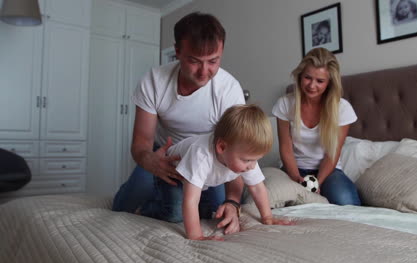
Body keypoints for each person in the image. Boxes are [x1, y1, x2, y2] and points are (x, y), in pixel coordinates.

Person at [112, 12, 246, 235]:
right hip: (164, 153)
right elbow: (140, 144)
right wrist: (151, 161)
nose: (204, 72)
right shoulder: (154, 81)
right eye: (194, 61)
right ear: (177, 52)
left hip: (208, 157)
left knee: (214, 212)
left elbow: (237, 155)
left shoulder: (229, 91)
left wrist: (233, 204)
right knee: (122, 207)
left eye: (213, 61)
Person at [140, 105, 293, 240]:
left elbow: (258, 188)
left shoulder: (245, 156)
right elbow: (191, 200)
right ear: (221, 147)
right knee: (175, 213)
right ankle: (146, 208)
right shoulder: (201, 155)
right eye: (247, 160)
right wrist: (196, 236)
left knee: (208, 213)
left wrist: (267, 217)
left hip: (205, 181)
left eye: (256, 160)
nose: (252, 166)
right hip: (173, 176)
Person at [272, 47, 361, 206]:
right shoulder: (285, 104)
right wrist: (295, 177)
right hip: (293, 169)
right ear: (300, 76)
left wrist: (317, 182)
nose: (312, 85)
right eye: (307, 78)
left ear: (329, 83)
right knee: (270, 199)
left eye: (320, 81)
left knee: (347, 202)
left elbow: (332, 154)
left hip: (328, 171)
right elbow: (286, 149)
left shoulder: (342, 109)